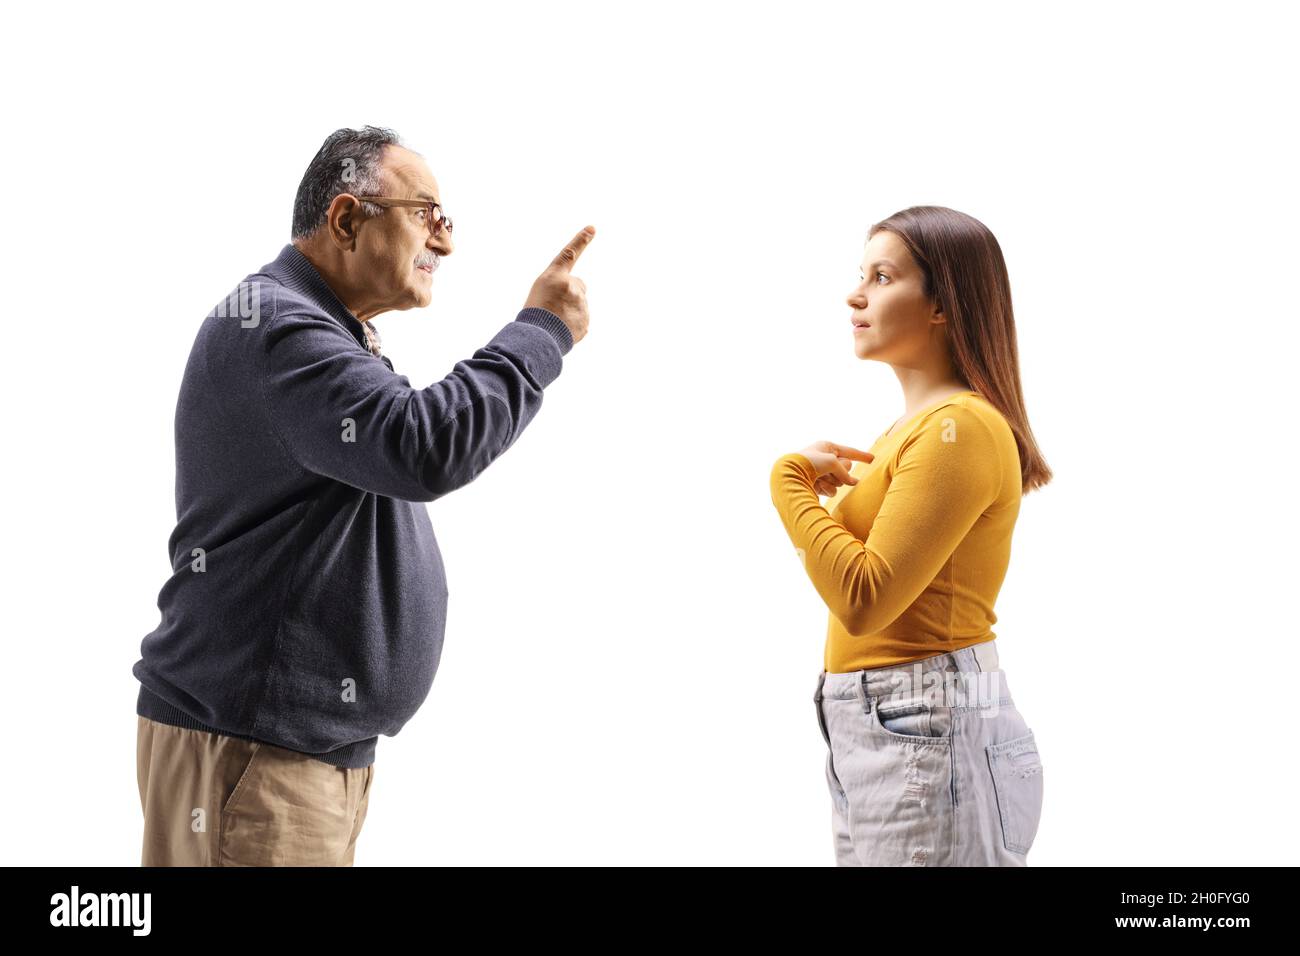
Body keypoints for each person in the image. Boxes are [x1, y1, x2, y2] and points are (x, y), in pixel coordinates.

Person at [133, 126, 594, 866]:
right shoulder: (277, 327)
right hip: (257, 753)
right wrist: (541, 332)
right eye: (428, 213)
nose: (445, 241)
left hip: (294, 755)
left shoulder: (325, 331)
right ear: (347, 219)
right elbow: (423, 445)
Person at [769, 205, 1051, 866]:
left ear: (942, 306)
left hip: (924, 723)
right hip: (886, 726)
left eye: (883, 275)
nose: (855, 292)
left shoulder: (962, 429)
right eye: (860, 273)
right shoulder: (907, 433)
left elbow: (865, 597)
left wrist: (789, 484)